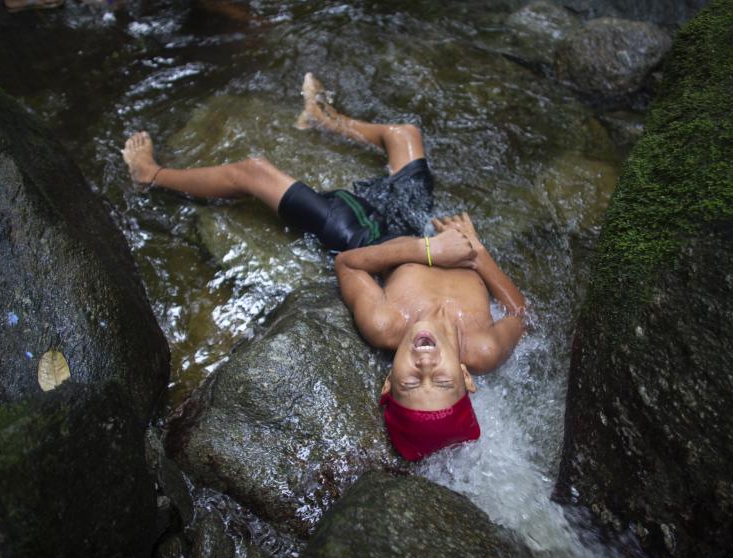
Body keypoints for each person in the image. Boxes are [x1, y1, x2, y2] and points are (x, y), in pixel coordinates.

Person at [123, 73, 527, 461]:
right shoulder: (484, 348)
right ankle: (323, 118)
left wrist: (429, 251)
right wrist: (477, 252)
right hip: (423, 228)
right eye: (440, 381)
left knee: (253, 171)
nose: (425, 366)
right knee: (404, 134)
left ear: (388, 382)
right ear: (466, 378)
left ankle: (150, 174)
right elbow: (518, 312)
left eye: (410, 381)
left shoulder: (386, 324)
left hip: (367, 237)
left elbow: (349, 264)